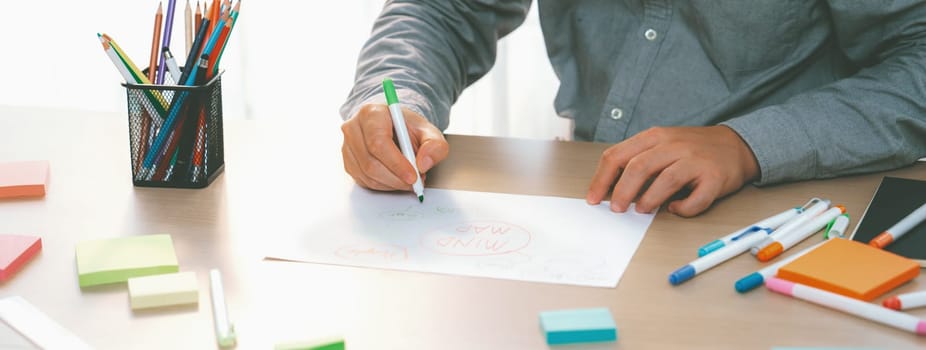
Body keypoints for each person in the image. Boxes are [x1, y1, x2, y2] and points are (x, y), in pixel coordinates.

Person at [339, 1, 926, 217]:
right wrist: (395, 97)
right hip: (598, 204)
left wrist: (748, 144)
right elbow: (446, 10)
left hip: (784, 213)